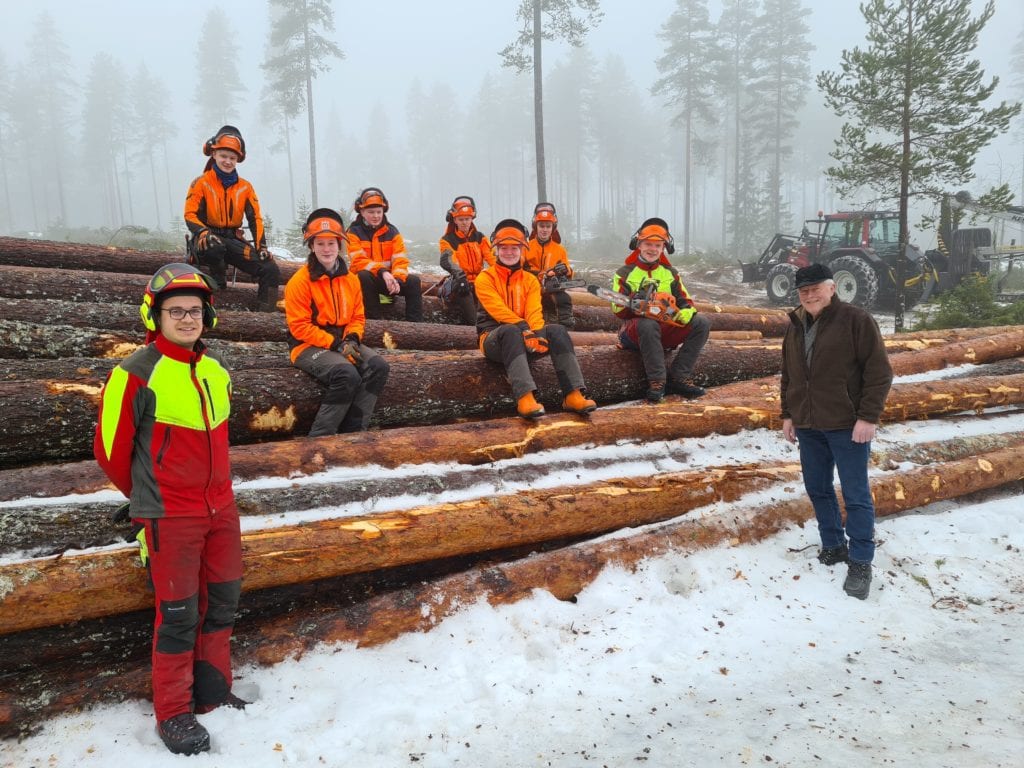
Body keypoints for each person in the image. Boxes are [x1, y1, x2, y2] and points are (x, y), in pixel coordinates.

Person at [93, 263, 245, 756]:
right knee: (177, 615)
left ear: (208, 318)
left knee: (221, 601)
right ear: (155, 316)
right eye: (175, 311)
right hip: (170, 517)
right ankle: (174, 714)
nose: (186, 319)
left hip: (221, 509)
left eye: (194, 311)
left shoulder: (215, 371)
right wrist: (147, 503)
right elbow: (110, 453)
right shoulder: (133, 373)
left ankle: (211, 691)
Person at [780, 263, 893, 600]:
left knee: (856, 494)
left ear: (832, 288)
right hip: (809, 424)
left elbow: (879, 372)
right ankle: (833, 544)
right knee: (817, 487)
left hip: (848, 425)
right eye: (804, 290)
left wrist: (868, 417)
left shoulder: (856, 320)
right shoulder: (796, 324)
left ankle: (860, 561)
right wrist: (788, 414)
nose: (810, 294)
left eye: (816, 288)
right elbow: (789, 373)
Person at [475, 218, 597, 420]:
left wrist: (538, 335)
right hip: (493, 338)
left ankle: (573, 393)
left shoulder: (530, 280)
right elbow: (498, 311)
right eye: (504, 248)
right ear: (496, 249)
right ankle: (525, 397)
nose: (509, 252)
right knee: (510, 330)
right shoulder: (485, 278)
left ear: (522, 250)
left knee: (557, 330)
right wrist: (525, 329)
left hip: (525, 336)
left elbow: (534, 310)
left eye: (514, 248)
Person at [284, 208, 390, 436]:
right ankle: (321, 437)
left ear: (339, 245)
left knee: (378, 366)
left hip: (343, 340)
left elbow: (357, 317)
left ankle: (354, 432)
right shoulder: (300, 282)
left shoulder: (350, 280)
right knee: (346, 374)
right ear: (312, 246)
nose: (326, 249)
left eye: (331, 243)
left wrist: (352, 338)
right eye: (320, 244)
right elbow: (299, 327)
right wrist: (336, 344)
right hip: (307, 345)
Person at [610, 217, 711, 402]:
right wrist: (634, 301)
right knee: (648, 324)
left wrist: (684, 313)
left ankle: (680, 376)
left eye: (657, 245)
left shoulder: (669, 273)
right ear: (639, 245)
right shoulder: (625, 273)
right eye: (648, 244)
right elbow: (617, 309)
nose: (653, 249)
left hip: (663, 328)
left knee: (701, 323)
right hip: (633, 332)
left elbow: (686, 301)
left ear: (664, 247)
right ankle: (657, 381)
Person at [184, 125, 281, 311]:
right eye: (223, 156)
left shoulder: (245, 187)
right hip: (206, 239)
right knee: (214, 246)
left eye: (232, 158)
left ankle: (266, 316)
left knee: (270, 268)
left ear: (238, 159)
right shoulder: (200, 183)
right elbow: (190, 214)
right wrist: (202, 231)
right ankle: (218, 287)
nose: (227, 161)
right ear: (214, 155)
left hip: (232, 240)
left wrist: (262, 247)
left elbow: (255, 219)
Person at [346, 187, 423, 322]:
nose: (376, 216)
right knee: (363, 275)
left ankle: (415, 325)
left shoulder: (393, 232)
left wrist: (398, 279)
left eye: (378, 212)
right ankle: (374, 321)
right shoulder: (353, 232)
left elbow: (400, 260)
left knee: (413, 281)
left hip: (389, 281)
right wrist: (382, 272)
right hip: (365, 283)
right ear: (362, 212)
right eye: (371, 212)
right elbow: (359, 261)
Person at [438, 195, 493, 325]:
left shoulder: (480, 238)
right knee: (463, 288)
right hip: (461, 281)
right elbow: (450, 260)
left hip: (479, 280)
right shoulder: (447, 240)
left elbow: (492, 257)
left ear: (472, 219)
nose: (464, 222)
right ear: (454, 220)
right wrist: (460, 275)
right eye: (461, 219)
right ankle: (475, 325)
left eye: (467, 219)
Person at [523, 202, 576, 328]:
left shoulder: (559, 249)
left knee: (564, 299)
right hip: (531, 286)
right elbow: (520, 269)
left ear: (553, 227)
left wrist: (565, 270)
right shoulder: (527, 247)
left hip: (551, 287)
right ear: (536, 226)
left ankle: (566, 326)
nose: (545, 229)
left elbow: (568, 272)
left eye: (548, 226)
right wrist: (540, 275)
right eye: (541, 226)